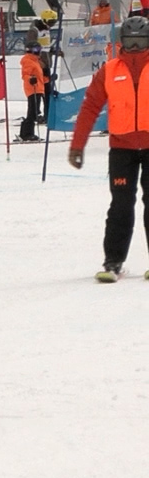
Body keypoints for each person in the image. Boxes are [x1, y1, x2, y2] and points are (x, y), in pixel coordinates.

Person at [69, 14, 149, 280]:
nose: (135, 47)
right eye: (130, 42)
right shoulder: (110, 70)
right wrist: (77, 145)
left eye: (140, 42)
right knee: (121, 206)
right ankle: (113, 262)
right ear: (121, 42)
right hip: (121, 149)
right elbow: (90, 107)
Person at [19, 43, 47, 142]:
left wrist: (48, 78)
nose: (39, 51)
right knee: (32, 112)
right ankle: (26, 134)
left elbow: (40, 77)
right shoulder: (28, 60)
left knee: (34, 112)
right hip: (32, 89)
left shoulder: (36, 61)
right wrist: (31, 79)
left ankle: (27, 133)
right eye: (36, 49)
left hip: (38, 88)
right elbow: (25, 74)